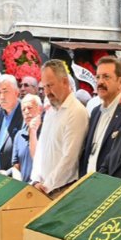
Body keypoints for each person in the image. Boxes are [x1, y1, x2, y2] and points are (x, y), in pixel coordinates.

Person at [30, 60, 89, 197]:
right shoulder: (50, 111)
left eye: (50, 85)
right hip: (42, 190)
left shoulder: (76, 112)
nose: (47, 92)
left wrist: (46, 186)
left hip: (61, 191)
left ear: (65, 82)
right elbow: (41, 149)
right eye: (44, 86)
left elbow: (70, 158)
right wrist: (36, 180)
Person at [80, 56, 121, 177]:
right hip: (87, 182)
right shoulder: (96, 112)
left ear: (120, 82)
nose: (100, 82)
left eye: (106, 77)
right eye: (98, 77)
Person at [0, 75, 24, 171]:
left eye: (5, 91)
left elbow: (25, 154)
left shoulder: (24, 114)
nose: (2, 97)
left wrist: (8, 173)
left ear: (16, 92)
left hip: (15, 177)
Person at [12, 94, 42, 183]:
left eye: (29, 108)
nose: (26, 112)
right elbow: (16, 166)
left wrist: (33, 132)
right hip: (24, 186)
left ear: (40, 109)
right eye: (23, 110)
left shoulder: (46, 132)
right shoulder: (19, 135)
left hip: (42, 185)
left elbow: (37, 159)